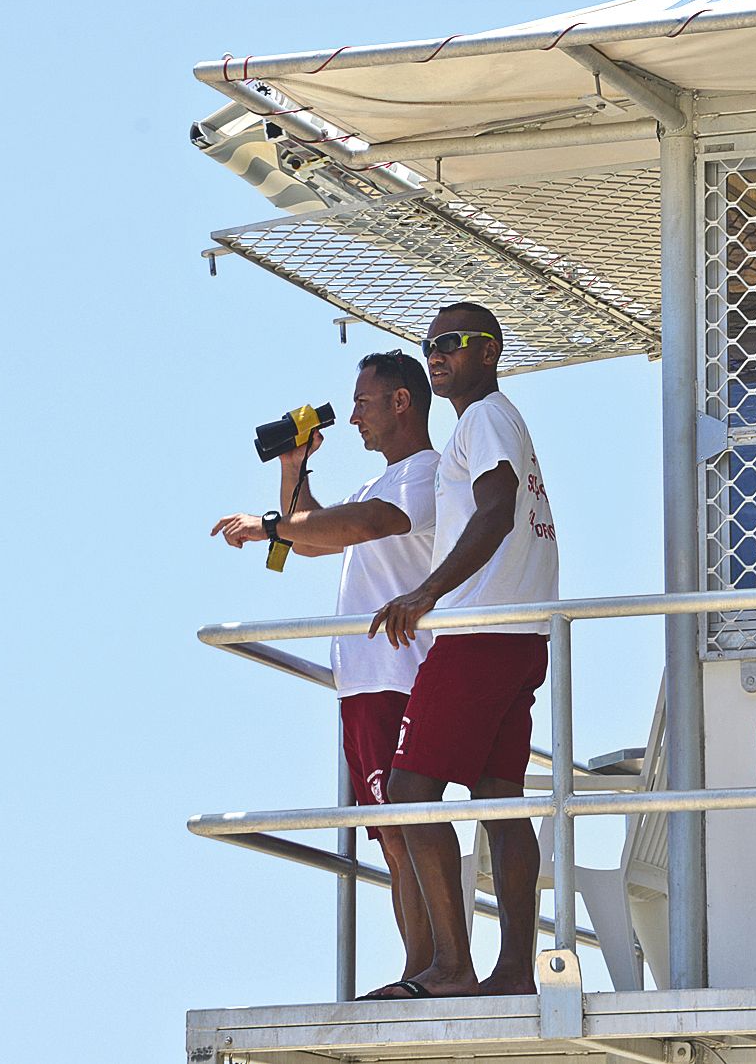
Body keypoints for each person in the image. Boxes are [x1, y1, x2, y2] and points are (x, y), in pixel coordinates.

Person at [209, 351, 440, 992]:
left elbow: (357, 526)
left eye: (364, 402)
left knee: (406, 826)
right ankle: (419, 970)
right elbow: (309, 539)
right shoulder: (379, 482)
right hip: (368, 682)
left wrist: (271, 525)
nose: (356, 416)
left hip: (401, 676)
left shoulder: (424, 475)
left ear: (402, 402)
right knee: (391, 836)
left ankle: (430, 972)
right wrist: (293, 466)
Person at [365, 302, 558, 1000]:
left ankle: (450, 967)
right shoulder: (494, 420)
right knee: (500, 801)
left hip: (480, 632)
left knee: (411, 792)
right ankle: (511, 972)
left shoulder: (483, 418)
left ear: (490, 350)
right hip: (520, 634)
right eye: (430, 344)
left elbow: (497, 507)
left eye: (453, 342)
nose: (438, 354)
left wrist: (426, 591)